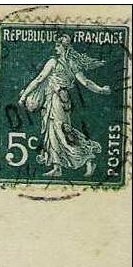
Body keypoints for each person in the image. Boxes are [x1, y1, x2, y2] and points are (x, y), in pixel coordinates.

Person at [18, 34, 110, 178]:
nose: (55, 48)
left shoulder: (53, 62)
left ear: (63, 47)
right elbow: (86, 82)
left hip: (55, 100)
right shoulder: (73, 63)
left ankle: (88, 159)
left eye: (57, 46)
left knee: (59, 132)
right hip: (63, 100)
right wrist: (101, 89)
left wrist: (24, 96)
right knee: (58, 132)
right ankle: (57, 167)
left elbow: (39, 79)